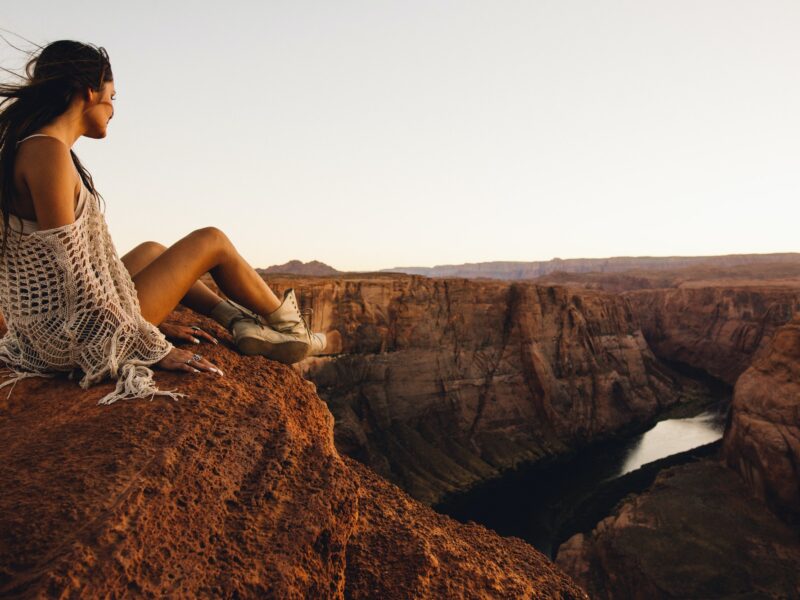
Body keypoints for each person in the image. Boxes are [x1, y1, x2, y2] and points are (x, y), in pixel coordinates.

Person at [0, 40, 326, 404]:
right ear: (90, 91)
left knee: (153, 250)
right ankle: (292, 330)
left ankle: (239, 320)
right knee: (212, 240)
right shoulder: (48, 152)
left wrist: (146, 322)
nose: (113, 108)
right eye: (113, 95)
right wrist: (144, 340)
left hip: (57, 324)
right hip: (71, 335)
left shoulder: (29, 147)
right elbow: (72, 275)